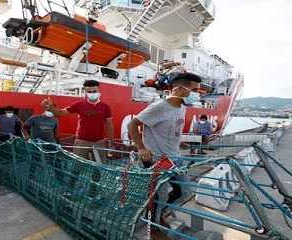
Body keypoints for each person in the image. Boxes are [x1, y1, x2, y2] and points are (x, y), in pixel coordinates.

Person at [128, 72, 201, 226]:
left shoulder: (182, 107)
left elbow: (172, 129)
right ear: (180, 89)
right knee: (159, 196)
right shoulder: (159, 106)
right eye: (194, 90)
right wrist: (141, 148)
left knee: (185, 192)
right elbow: (133, 124)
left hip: (175, 158)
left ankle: (162, 214)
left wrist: (179, 142)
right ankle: (154, 227)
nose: (197, 95)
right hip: (156, 159)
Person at [43, 79, 114, 161]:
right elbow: (60, 113)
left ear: (99, 91)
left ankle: (97, 174)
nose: (92, 94)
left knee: (100, 169)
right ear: (86, 93)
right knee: (76, 167)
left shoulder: (105, 107)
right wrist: (51, 108)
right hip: (81, 141)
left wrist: (111, 143)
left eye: (94, 91)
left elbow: (109, 125)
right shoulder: (79, 105)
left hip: (99, 142)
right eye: (89, 92)